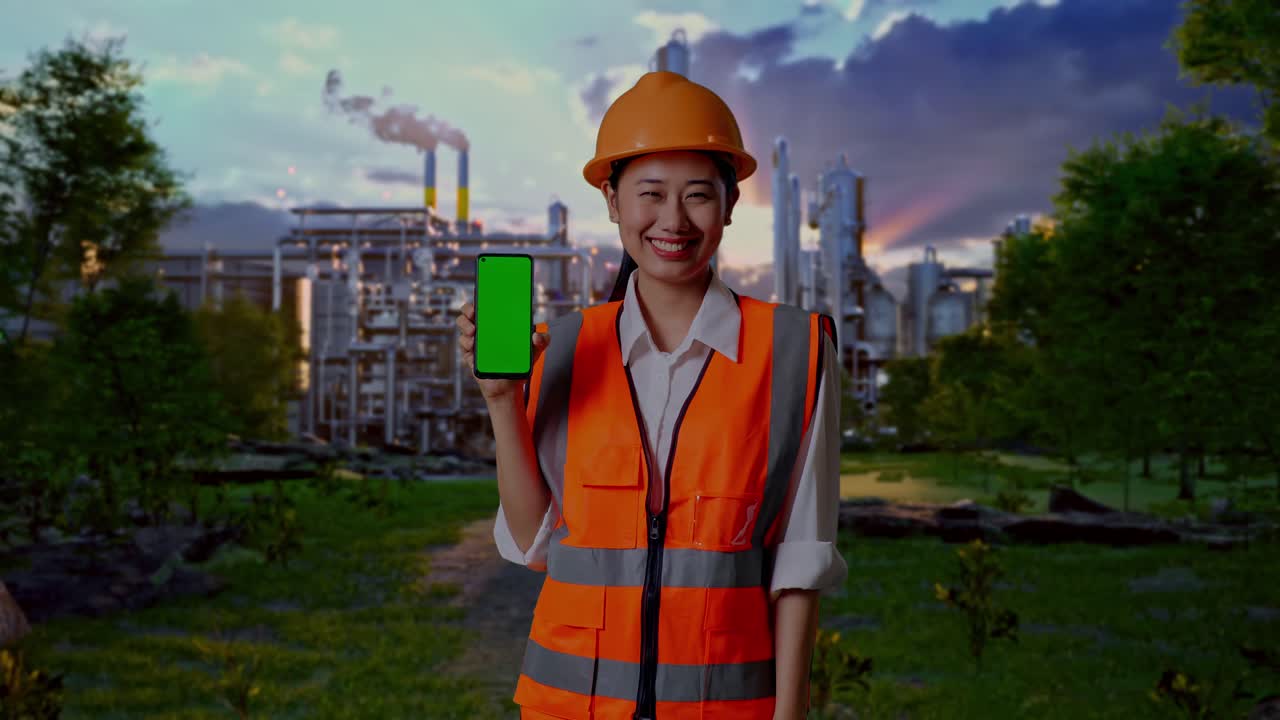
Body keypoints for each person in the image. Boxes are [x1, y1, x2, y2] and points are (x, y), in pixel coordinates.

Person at [456, 71, 846, 720]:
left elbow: (801, 556)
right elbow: (533, 542)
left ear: (730, 203)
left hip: (723, 708)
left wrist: (791, 712)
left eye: (697, 195)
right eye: (650, 194)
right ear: (612, 201)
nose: (673, 220)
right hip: (567, 706)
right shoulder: (564, 346)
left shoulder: (795, 351)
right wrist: (501, 400)